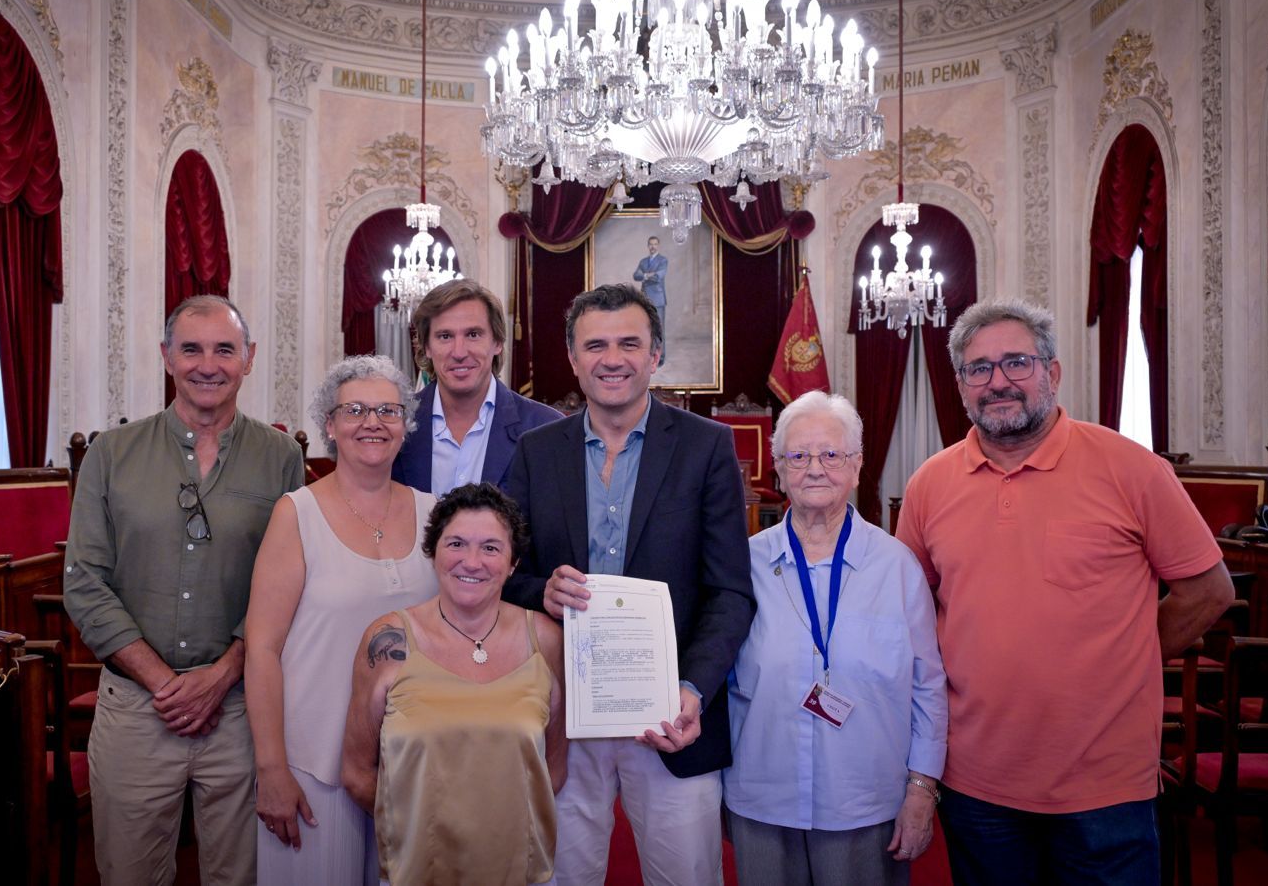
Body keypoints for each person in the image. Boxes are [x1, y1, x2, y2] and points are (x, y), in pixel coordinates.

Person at [894, 298, 1234, 885]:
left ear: (1051, 373)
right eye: (979, 369)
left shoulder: (1133, 469)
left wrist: (1125, 658)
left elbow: (1208, 591)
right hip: (977, 781)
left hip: (1104, 785)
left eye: (1016, 363)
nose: (998, 382)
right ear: (961, 386)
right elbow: (910, 612)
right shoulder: (929, 484)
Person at [503, 283, 754, 886]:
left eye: (628, 343)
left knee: (686, 876)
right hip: (564, 708)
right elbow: (502, 572)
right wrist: (541, 591)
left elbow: (730, 591)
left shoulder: (707, 447)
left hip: (670, 720)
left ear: (655, 356)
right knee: (561, 875)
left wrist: (693, 689)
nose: (612, 358)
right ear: (573, 358)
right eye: (595, 345)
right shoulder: (536, 452)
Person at [63, 295, 303, 886]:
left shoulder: (282, 458)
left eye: (225, 349)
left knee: (242, 877)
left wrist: (222, 675)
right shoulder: (110, 453)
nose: (208, 364)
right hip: (137, 710)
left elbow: (293, 586)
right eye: (191, 349)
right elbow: (84, 582)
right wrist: (166, 685)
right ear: (166, 356)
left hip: (245, 711)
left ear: (248, 359)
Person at [723, 390, 947, 886]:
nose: (815, 469)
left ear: (858, 464)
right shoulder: (743, 564)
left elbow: (928, 688)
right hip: (764, 796)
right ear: (778, 468)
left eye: (832, 454)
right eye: (799, 456)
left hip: (866, 801)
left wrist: (921, 788)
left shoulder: (897, 567)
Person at [245, 356, 439, 886]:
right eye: (354, 409)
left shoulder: (434, 513)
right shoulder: (297, 513)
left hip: (408, 762)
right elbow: (261, 649)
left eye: (387, 410)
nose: (372, 422)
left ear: (407, 424)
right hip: (312, 763)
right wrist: (272, 769)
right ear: (329, 424)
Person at [341, 482, 568, 886]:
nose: (472, 561)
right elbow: (358, 773)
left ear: (513, 563)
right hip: (419, 871)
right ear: (433, 552)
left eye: (491, 548)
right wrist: (414, 829)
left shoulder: (546, 639)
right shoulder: (388, 640)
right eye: (457, 543)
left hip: (518, 871)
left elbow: (553, 767)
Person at [392, 279, 560, 496]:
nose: (459, 352)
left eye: (473, 334)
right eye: (445, 336)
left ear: (497, 342)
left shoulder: (545, 429)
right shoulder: (395, 424)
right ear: (427, 348)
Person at [633, 236, 668, 364]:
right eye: (651, 244)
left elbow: (659, 276)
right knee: (646, 329)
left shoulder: (663, 260)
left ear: (658, 246)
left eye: (655, 244)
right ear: (648, 246)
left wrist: (645, 276)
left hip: (658, 300)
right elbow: (636, 275)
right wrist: (648, 275)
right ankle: (647, 356)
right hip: (645, 300)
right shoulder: (643, 261)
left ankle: (660, 358)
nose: (653, 246)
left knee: (658, 329)